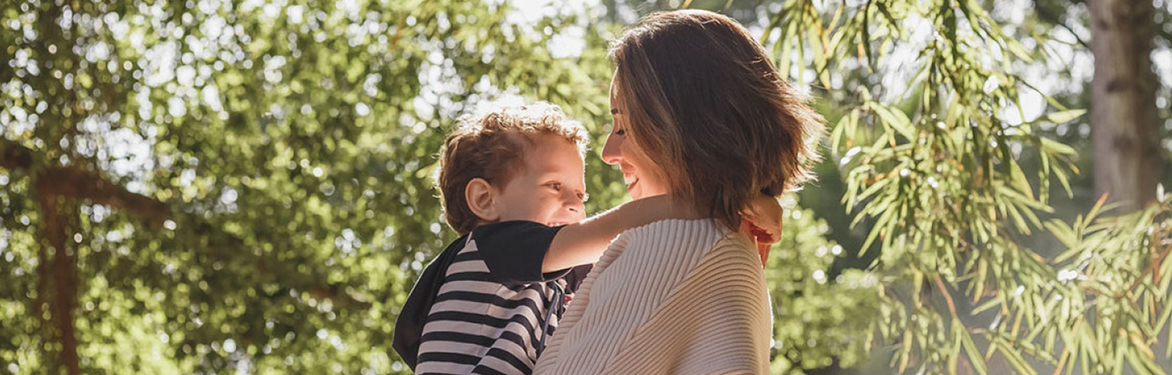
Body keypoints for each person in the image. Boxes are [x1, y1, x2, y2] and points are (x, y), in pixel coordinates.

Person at [533, 10, 823, 375]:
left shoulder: (676, 243)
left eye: (623, 126)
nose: (608, 153)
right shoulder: (725, 248)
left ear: (680, 128)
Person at [392, 101, 704, 375]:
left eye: (580, 194)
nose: (574, 204)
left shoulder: (551, 273)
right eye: (554, 185)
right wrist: (708, 203)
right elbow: (615, 228)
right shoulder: (494, 247)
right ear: (485, 200)